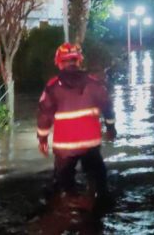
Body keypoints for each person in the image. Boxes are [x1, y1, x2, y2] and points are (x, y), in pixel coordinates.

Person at [36, 43, 116, 199]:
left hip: (65, 146)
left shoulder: (52, 86)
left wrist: (42, 139)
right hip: (90, 143)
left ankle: (66, 208)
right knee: (98, 180)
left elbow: (44, 115)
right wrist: (111, 128)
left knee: (62, 185)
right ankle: (98, 203)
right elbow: (108, 107)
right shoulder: (94, 83)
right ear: (79, 61)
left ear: (59, 62)